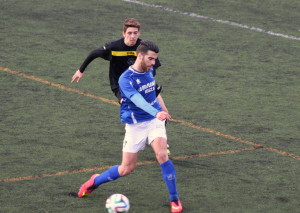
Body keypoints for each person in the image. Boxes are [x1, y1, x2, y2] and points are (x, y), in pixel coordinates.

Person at [77, 40, 183, 213]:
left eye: (155, 59)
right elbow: (137, 100)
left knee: (162, 155)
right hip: (135, 125)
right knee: (126, 169)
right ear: (140, 56)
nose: (153, 63)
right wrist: (155, 112)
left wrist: (162, 110)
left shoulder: (150, 70)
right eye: (150, 59)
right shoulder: (125, 79)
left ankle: (174, 199)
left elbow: (153, 92)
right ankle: (94, 181)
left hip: (154, 121)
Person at [71, 18, 170, 153]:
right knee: (130, 105)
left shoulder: (144, 48)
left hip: (143, 83)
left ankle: (161, 141)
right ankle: (133, 139)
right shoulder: (114, 46)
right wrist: (80, 70)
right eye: (129, 33)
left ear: (139, 33)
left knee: (164, 110)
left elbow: (153, 67)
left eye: (135, 33)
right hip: (121, 86)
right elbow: (94, 53)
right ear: (123, 33)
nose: (132, 36)